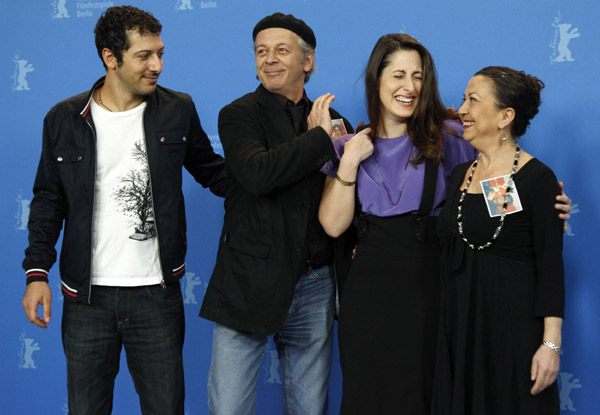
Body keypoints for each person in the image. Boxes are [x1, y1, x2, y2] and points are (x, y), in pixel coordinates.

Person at [318, 35, 571, 414]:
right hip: (367, 294)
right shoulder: (351, 145)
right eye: (398, 74)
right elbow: (334, 226)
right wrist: (350, 161)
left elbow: (503, 192)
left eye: (418, 76)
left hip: (432, 292)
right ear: (377, 79)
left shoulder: (454, 138)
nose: (410, 86)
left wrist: (546, 206)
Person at [21, 6, 225, 415]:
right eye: (144, 56)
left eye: (160, 54)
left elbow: (215, 175)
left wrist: (284, 168)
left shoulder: (177, 109)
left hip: (157, 297)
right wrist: (37, 273)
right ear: (110, 58)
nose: (157, 66)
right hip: (86, 301)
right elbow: (48, 200)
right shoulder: (64, 119)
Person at [199, 12, 353, 415]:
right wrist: (318, 138)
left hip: (315, 285)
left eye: (281, 50)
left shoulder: (337, 124)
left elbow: (345, 199)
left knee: (309, 407)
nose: (269, 59)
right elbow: (257, 174)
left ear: (307, 61)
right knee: (228, 408)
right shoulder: (238, 114)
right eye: (261, 51)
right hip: (249, 282)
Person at [432, 67, 564, 415]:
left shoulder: (537, 179)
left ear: (506, 116)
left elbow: (551, 267)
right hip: (461, 327)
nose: (462, 109)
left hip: (512, 334)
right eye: (463, 99)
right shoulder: (462, 173)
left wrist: (550, 345)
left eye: (473, 100)